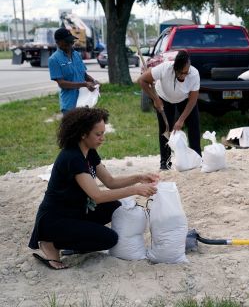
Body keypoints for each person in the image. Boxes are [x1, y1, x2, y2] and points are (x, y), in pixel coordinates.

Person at [29, 107, 159, 270]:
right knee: (109, 239)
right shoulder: (72, 157)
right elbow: (97, 196)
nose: (102, 138)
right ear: (83, 134)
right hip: (55, 219)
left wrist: (139, 177)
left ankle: (74, 239)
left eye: (103, 133)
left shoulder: (89, 152)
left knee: (115, 207)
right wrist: (136, 189)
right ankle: (50, 241)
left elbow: (110, 181)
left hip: (75, 211)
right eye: (98, 134)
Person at [138, 50, 201, 170]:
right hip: (163, 97)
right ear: (175, 68)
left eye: (186, 72)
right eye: (181, 72)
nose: (184, 75)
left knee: (194, 126)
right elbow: (142, 80)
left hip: (185, 99)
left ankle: (197, 159)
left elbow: (193, 100)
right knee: (165, 129)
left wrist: (181, 120)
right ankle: (165, 162)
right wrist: (155, 99)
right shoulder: (165, 68)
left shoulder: (194, 74)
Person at [48, 27, 99, 114]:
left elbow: (84, 75)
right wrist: (84, 84)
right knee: (72, 127)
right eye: (67, 41)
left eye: (71, 40)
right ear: (58, 42)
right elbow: (62, 83)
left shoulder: (76, 55)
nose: (71, 43)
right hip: (69, 104)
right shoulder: (54, 59)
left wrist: (93, 81)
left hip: (84, 101)